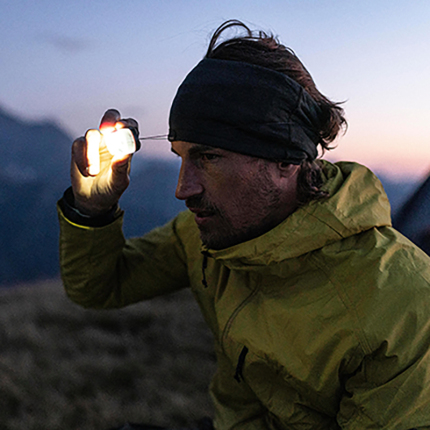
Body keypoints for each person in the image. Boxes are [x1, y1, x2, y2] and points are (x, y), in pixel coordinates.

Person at [57, 20, 430, 430]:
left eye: (208, 158)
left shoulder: (403, 306)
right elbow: (100, 286)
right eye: (181, 156)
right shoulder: (204, 236)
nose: (183, 189)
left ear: (286, 159)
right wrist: (91, 209)